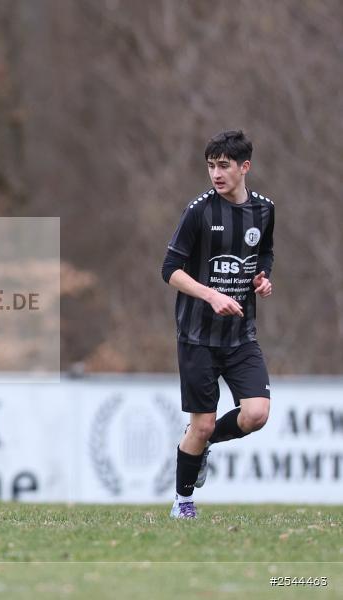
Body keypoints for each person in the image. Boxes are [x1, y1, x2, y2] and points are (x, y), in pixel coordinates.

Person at [161, 130, 275, 519]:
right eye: (211, 165)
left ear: (245, 167)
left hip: (240, 336)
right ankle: (183, 502)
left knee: (257, 414)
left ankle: (204, 445)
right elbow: (169, 270)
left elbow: (265, 253)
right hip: (197, 336)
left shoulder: (264, 210)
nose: (216, 173)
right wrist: (210, 294)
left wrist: (262, 277)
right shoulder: (198, 212)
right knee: (202, 424)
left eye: (224, 165)